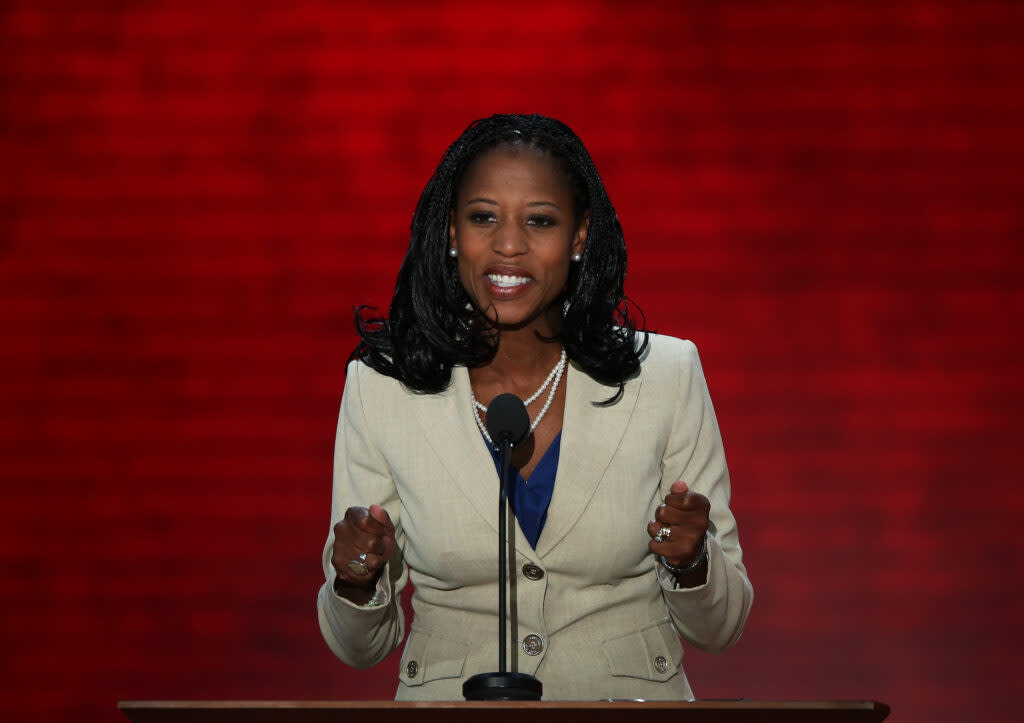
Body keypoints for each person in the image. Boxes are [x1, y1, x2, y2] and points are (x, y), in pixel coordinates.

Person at [317, 113, 752, 701]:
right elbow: (359, 647)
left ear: (579, 236)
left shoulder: (666, 376)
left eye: (539, 221)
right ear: (451, 232)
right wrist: (354, 579)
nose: (509, 245)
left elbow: (722, 628)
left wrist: (692, 563)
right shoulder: (381, 389)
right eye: (483, 217)